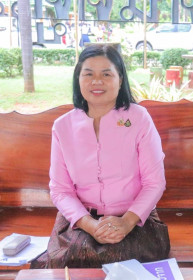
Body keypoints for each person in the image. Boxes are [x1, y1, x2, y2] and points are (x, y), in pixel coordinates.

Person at [31, 44, 170, 268]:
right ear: (78, 79)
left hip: (134, 219)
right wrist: (89, 225)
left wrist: (126, 222)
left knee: (130, 264)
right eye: (88, 74)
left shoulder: (138, 119)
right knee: (66, 263)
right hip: (81, 220)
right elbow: (60, 190)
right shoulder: (63, 126)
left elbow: (154, 183)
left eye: (106, 74)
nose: (97, 81)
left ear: (120, 79)